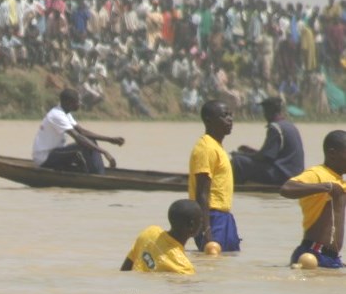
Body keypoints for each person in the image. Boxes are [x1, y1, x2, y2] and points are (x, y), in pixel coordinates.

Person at [280, 130, 346, 268]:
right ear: (332, 154)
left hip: (330, 256)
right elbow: (287, 188)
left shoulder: (340, 181)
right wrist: (326, 187)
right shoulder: (318, 174)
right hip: (313, 254)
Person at [32, 88, 124, 174]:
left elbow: (82, 132)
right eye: (77, 101)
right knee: (85, 145)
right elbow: (78, 138)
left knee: (90, 141)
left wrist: (110, 139)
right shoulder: (57, 115)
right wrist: (104, 152)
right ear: (68, 103)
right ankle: (98, 176)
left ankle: (97, 173)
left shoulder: (65, 113)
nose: (80, 103)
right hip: (44, 158)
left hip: (55, 152)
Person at [189, 100, 241, 252]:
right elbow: (201, 192)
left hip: (224, 216)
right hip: (212, 217)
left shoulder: (216, 146)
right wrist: (206, 230)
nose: (230, 119)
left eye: (230, 115)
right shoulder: (206, 148)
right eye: (224, 115)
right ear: (208, 120)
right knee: (211, 261)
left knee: (227, 260)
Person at [231, 97, 304, 185]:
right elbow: (271, 155)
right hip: (293, 173)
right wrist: (252, 152)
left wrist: (243, 155)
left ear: (269, 110)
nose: (264, 114)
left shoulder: (276, 128)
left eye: (265, 110)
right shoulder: (289, 125)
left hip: (283, 175)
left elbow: (264, 158)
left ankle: (236, 187)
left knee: (238, 161)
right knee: (244, 159)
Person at [120, 199, 203, 274]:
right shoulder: (184, 268)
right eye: (200, 220)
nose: (202, 224)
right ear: (191, 225)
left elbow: (125, 271)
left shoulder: (149, 232)